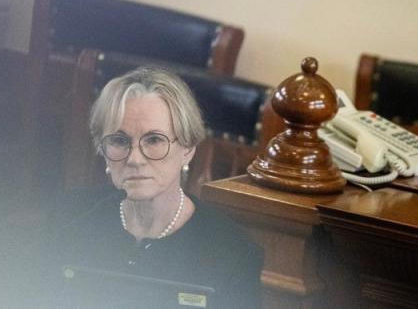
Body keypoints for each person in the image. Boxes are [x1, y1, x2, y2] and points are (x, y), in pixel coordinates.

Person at [42, 66, 263, 308]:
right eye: (119, 141)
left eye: (154, 140)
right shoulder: (66, 217)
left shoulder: (233, 253)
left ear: (188, 148)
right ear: (102, 150)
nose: (135, 159)